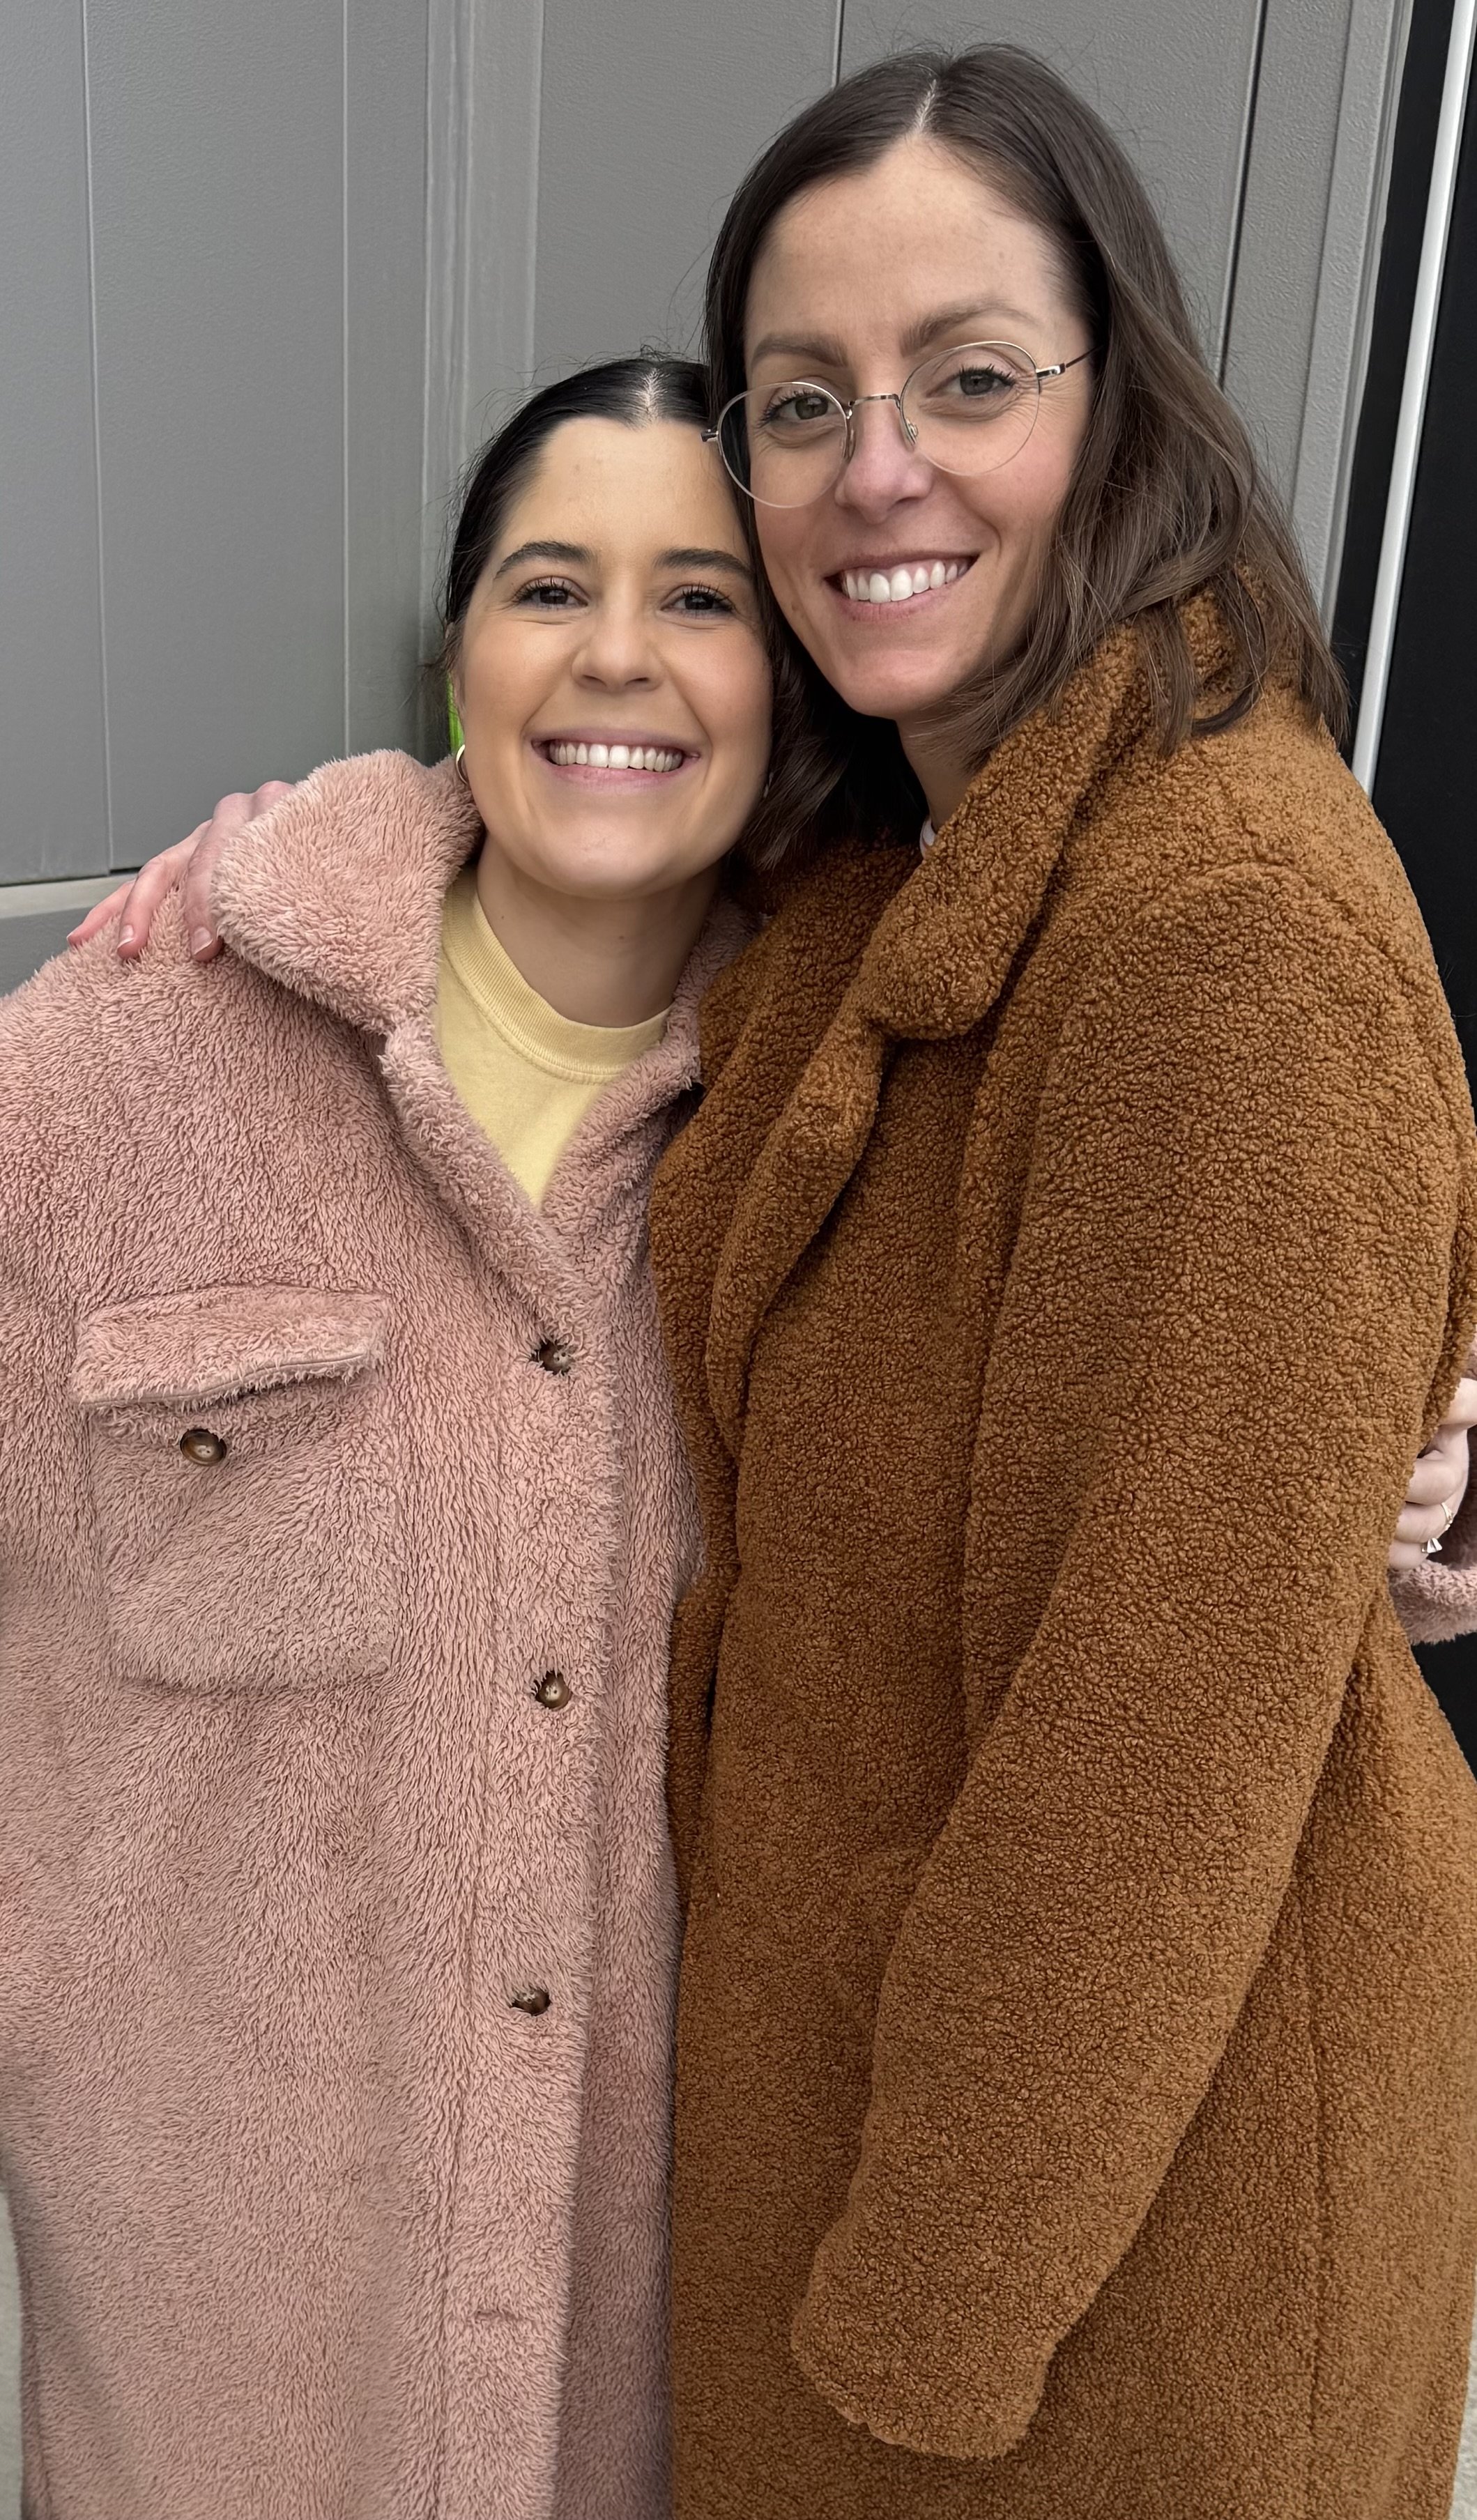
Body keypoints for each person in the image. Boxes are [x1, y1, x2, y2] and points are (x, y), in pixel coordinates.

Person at [70, 43, 1477, 2520]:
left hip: (1089, 2266)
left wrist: (927, 2320)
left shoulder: (1223, 914)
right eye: (806, 400)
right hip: (837, 2165)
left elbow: (1144, 1756)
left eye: (971, 376)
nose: (879, 467)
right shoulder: (873, 902)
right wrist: (305, 852)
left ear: (1120, 401)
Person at [0, 355, 779, 2520]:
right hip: (211, 2345)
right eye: (551, 585)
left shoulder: (845, 1112)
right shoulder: (127, 1064)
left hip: (653, 2346)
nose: (616, 652)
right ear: (458, 657)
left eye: (701, 596)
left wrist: (1406, 1480)